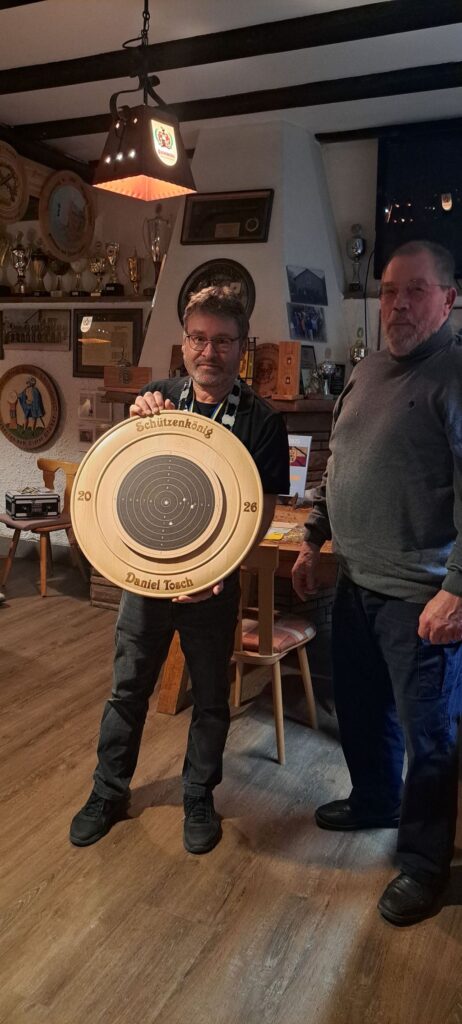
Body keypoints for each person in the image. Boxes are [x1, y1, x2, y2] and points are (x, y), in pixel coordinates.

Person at [70, 286, 290, 854]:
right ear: (184, 342)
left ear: (241, 347)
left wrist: (220, 568)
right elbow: (128, 480)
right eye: (198, 338)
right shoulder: (159, 399)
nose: (208, 351)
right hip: (145, 581)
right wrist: (135, 421)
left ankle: (198, 796)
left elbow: (260, 511)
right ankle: (107, 791)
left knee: (211, 698)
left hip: (213, 589)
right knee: (127, 691)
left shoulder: (263, 422)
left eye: (222, 341)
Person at [292, 240, 462, 926]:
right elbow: (338, 468)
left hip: (423, 598)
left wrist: (458, 588)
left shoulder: (454, 377)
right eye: (389, 291)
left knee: (431, 737)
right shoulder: (365, 372)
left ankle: (423, 864)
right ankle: (374, 800)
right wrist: (312, 538)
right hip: (355, 583)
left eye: (416, 290)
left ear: (449, 299)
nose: (398, 305)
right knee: (360, 709)